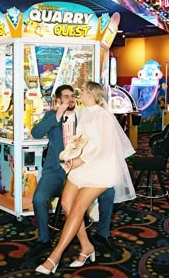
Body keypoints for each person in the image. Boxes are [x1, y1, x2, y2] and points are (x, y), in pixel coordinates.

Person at [35, 81, 136, 275]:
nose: (76, 95)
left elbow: (103, 147)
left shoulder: (103, 115)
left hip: (98, 167)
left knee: (78, 207)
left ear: (91, 94)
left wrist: (79, 160)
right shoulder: (82, 112)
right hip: (76, 166)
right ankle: (87, 246)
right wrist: (72, 156)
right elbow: (78, 140)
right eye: (71, 94)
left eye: (81, 91)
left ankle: (54, 257)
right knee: (66, 203)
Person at [26, 84, 118, 257]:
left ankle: (102, 235)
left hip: (83, 168)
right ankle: (44, 239)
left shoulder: (84, 115)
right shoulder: (52, 116)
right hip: (56, 171)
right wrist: (58, 115)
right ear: (58, 100)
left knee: (109, 193)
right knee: (39, 198)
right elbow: (36, 133)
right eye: (66, 97)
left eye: (72, 96)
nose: (70, 99)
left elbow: (98, 142)